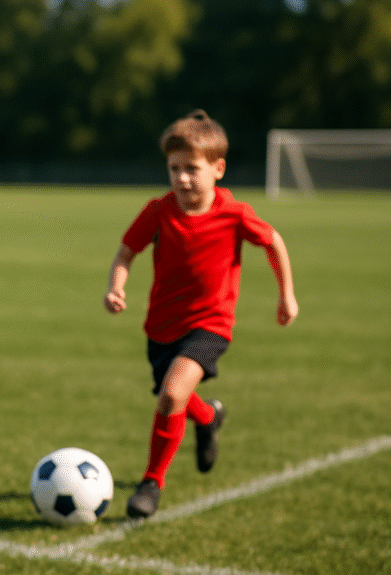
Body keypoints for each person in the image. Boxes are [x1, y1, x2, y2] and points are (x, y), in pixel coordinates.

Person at [103, 110, 298, 519]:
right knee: (174, 396)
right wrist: (116, 286)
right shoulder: (158, 211)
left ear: (218, 169)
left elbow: (273, 242)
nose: (182, 178)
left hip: (211, 325)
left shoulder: (235, 214)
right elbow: (126, 253)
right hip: (161, 327)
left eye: (192, 169)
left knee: (172, 394)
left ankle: (151, 484)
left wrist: (287, 296)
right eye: (174, 169)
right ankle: (208, 417)